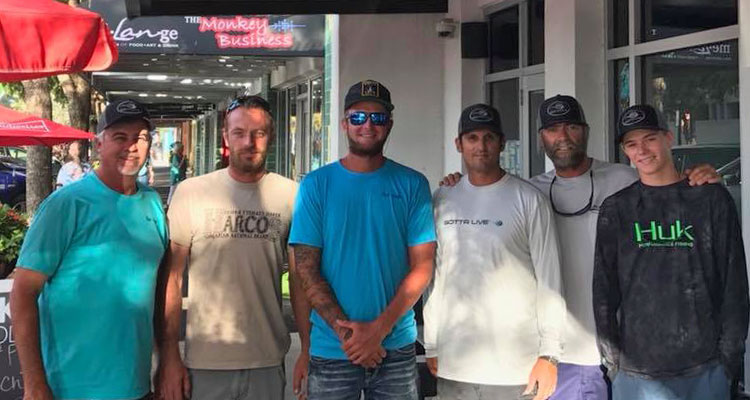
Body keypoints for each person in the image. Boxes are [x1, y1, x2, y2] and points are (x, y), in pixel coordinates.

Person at [440, 95, 720, 399]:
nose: (562, 137)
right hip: (558, 356)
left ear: (585, 131)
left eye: (571, 127)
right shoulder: (529, 193)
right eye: (552, 129)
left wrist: (697, 174)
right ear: (541, 139)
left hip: (628, 350)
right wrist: (458, 186)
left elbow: (669, 194)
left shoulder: (623, 179)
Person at [289, 79, 437, 400]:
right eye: (358, 117)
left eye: (378, 118)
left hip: (395, 349)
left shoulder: (413, 185)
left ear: (390, 125)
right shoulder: (316, 185)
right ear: (344, 123)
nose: (368, 125)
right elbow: (306, 270)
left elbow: (423, 267)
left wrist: (379, 330)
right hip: (332, 348)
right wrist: (352, 339)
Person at [11, 99, 167, 400]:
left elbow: (158, 289)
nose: (132, 146)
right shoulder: (66, 205)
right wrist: (33, 383)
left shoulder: (152, 203)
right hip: (70, 388)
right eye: (120, 137)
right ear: (98, 144)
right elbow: (22, 293)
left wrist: (167, 357)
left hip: (136, 385)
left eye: (141, 138)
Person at [593, 104, 749, 400]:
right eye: (631, 144)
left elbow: (734, 284)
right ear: (626, 151)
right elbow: (603, 290)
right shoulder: (617, 209)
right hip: (637, 370)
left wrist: (730, 358)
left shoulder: (710, 200)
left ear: (668, 137)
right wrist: (612, 360)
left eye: (650, 138)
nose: (642, 150)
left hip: (705, 367)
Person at [156, 95, 298, 400]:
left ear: (270, 136)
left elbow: (300, 280)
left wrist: (308, 351)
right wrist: (169, 356)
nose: (249, 142)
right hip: (206, 362)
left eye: (259, 133)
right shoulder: (191, 192)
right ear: (225, 137)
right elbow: (172, 278)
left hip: (267, 359)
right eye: (239, 133)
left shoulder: (291, 195)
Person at [425, 104, 564, 400]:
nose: (481, 146)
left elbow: (550, 279)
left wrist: (549, 354)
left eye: (489, 137)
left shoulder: (528, 199)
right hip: (455, 366)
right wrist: (432, 344)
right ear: (458, 144)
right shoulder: (442, 199)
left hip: (515, 369)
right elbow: (436, 277)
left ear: (502, 143)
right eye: (472, 138)